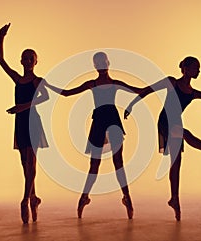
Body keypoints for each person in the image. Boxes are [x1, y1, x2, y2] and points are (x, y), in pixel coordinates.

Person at [124, 56, 201, 221]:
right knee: (185, 133)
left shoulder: (193, 93)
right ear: (185, 68)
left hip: (176, 122)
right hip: (165, 122)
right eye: (195, 67)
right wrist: (131, 105)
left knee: (176, 163)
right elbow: (147, 90)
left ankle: (174, 199)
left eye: (199, 68)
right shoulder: (172, 82)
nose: (198, 71)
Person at [45, 52, 143, 219]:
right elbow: (67, 93)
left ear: (108, 62)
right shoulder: (92, 84)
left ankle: (127, 198)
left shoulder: (114, 83)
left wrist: (134, 104)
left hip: (113, 122)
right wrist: (47, 85)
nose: (101, 65)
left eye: (103, 61)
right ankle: (84, 197)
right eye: (97, 63)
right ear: (95, 66)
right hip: (98, 123)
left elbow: (139, 91)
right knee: (94, 165)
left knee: (118, 163)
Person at [0, 23, 49, 224]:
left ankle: (25, 199)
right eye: (25, 58)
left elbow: (45, 97)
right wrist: (1, 37)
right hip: (20, 123)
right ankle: (34, 197)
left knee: (32, 161)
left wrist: (23, 106)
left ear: (36, 61)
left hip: (32, 121)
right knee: (24, 162)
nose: (27, 60)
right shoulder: (18, 79)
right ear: (21, 61)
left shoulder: (37, 80)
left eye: (31, 58)